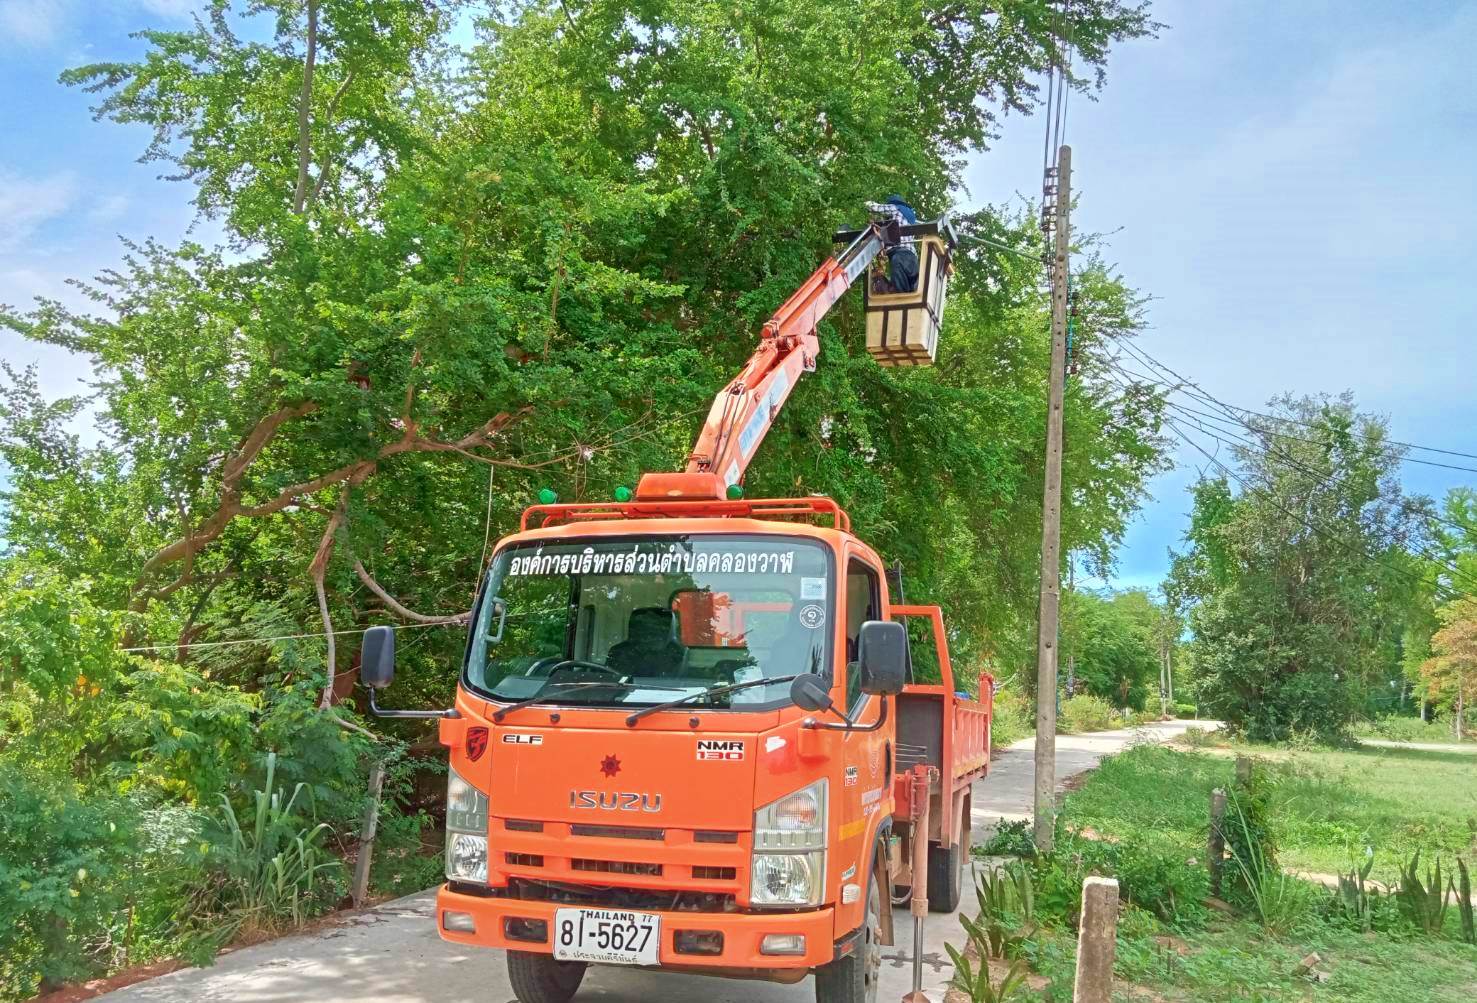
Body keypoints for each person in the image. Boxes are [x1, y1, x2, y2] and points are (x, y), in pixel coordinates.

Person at [877, 194, 919, 293]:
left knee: (900, 291)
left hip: (902, 256)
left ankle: (900, 295)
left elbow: (876, 208)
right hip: (911, 260)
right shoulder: (908, 218)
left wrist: (865, 203)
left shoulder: (896, 208)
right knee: (907, 289)